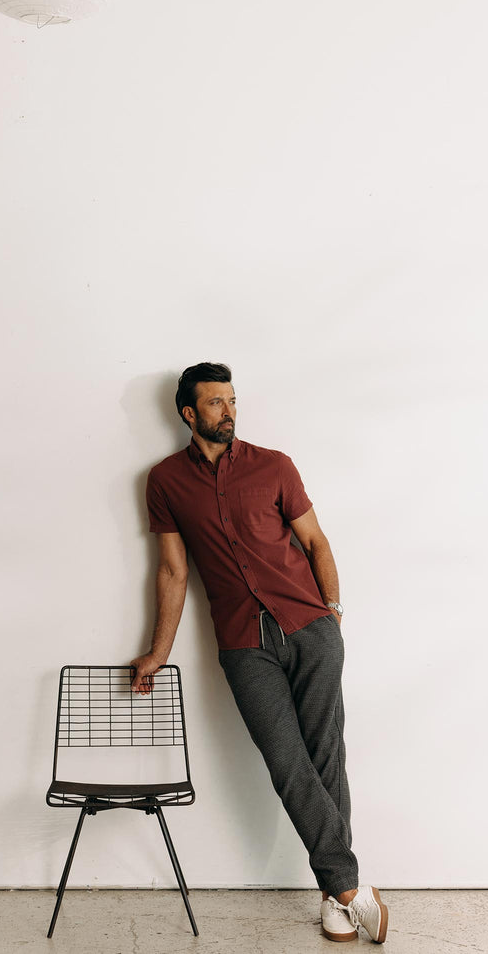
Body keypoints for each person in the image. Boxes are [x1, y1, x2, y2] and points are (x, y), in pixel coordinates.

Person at [129, 362, 389, 944]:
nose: (229, 411)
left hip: (309, 629)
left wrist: (334, 616)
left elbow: (316, 542)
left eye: (233, 400)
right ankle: (350, 890)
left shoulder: (275, 466)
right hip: (245, 645)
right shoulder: (166, 482)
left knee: (326, 757)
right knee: (286, 761)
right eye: (216, 403)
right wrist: (157, 652)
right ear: (189, 413)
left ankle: (333, 898)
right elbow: (173, 570)